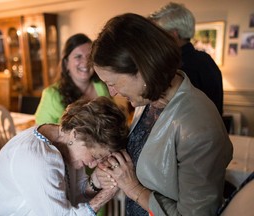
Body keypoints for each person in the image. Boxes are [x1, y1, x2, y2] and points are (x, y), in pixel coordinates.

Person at [90, 13, 233, 216]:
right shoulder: (147, 100)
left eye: (112, 83)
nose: (111, 92)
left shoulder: (198, 126)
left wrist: (133, 189)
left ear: (143, 70)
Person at [0, 96, 129, 215]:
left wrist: (95, 182)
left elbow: (73, 195)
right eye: (95, 156)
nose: (93, 164)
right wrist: (107, 194)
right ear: (76, 134)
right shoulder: (36, 158)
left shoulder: (68, 144)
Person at [148, 2, 224, 115]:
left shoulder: (178, 66)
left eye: (158, 33)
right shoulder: (205, 60)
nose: (154, 39)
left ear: (173, 34)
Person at [35, 33, 109, 125]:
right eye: (78, 57)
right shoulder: (51, 95)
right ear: (66, 63)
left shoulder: (102, 86)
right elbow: (41, 132)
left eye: (89, 56)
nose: (85, 62)